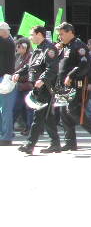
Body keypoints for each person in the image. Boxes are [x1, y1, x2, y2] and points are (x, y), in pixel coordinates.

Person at [56, 22, 91, 150]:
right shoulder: (65, 47)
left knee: (73, 110)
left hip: (76, 83)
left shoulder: (79, 46)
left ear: (69, 32)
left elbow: (84, 65)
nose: (60, 36)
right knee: (63, 112)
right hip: (64, 85)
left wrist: (71, 75)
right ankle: (70, 142)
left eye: (62, 34)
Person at [14, 26, 61, 154]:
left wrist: (43, 79)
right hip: (37, 87)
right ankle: (55, 143)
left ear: (39, 34)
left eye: (32, 34)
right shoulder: (38, 49)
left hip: (45, 88)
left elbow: (52, 68)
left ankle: (30, 145)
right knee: (47, 117)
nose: (30, 37)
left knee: (38, 116)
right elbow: (30, 66)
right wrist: (18, 73)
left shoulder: (49, 49)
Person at [0, 22, 16, 146]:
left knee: (5, 110)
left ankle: (6, 137)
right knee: (3, 110)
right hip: (4, 78)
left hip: (6, 79)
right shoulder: (7, 41)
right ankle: (4, 134)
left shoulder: (7, 42)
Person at [13, 37, 33, 136]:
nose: (17, 49)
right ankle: (25, 126)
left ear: (24, 47)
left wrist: (18, 78)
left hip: (27, 86)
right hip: (20, 87)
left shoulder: (30, 57)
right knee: (18, 107)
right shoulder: (19, 57)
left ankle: (30, 128)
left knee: (29, 108)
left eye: (19, 47)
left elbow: (30, 73)